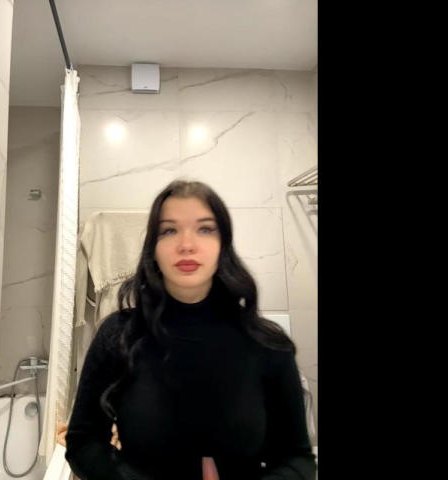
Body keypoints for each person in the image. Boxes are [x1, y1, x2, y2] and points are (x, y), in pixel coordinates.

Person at [65, 180, 317, 480]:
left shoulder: (266, 343)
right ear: (153, 248)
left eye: (205, 229)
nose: (186, 244)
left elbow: (297, 459)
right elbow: (82, 442)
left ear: (223, 245)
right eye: (169, 230)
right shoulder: (118, 336)